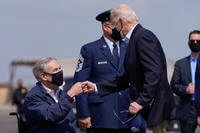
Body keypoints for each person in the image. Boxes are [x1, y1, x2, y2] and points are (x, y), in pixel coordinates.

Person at [83, 4, 175, 133]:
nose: (114, 28)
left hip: (155, 110)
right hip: (147, 110)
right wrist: (97, 87)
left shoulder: (142, 37)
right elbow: (126, 78)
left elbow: (154, 72)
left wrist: (141, 101)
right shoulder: (134, 39)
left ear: (121, 22)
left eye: (115, 24)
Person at [74, 10, 146, 133]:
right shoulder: (90, 50)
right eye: (118, 25)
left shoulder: (132, 47)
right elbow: (80, 83)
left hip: (130, 115)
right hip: (100, 117)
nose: (122, 28)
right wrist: (83, 113)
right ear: (106, 27)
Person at [24, 57, 86, 133]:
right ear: (44, 76)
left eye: (60, 68)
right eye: (55, 70)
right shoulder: (33, 97)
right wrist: (70, 95)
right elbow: (49, 115)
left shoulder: (61, 94)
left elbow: (70, 120)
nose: (60, 72)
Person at [171, 30, 200, 133]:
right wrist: (186, 89)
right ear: (188, 43)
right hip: (187, 109)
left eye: (198, 41)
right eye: (193, 41)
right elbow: (173, 85)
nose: (195, 43)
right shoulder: (180, 64)